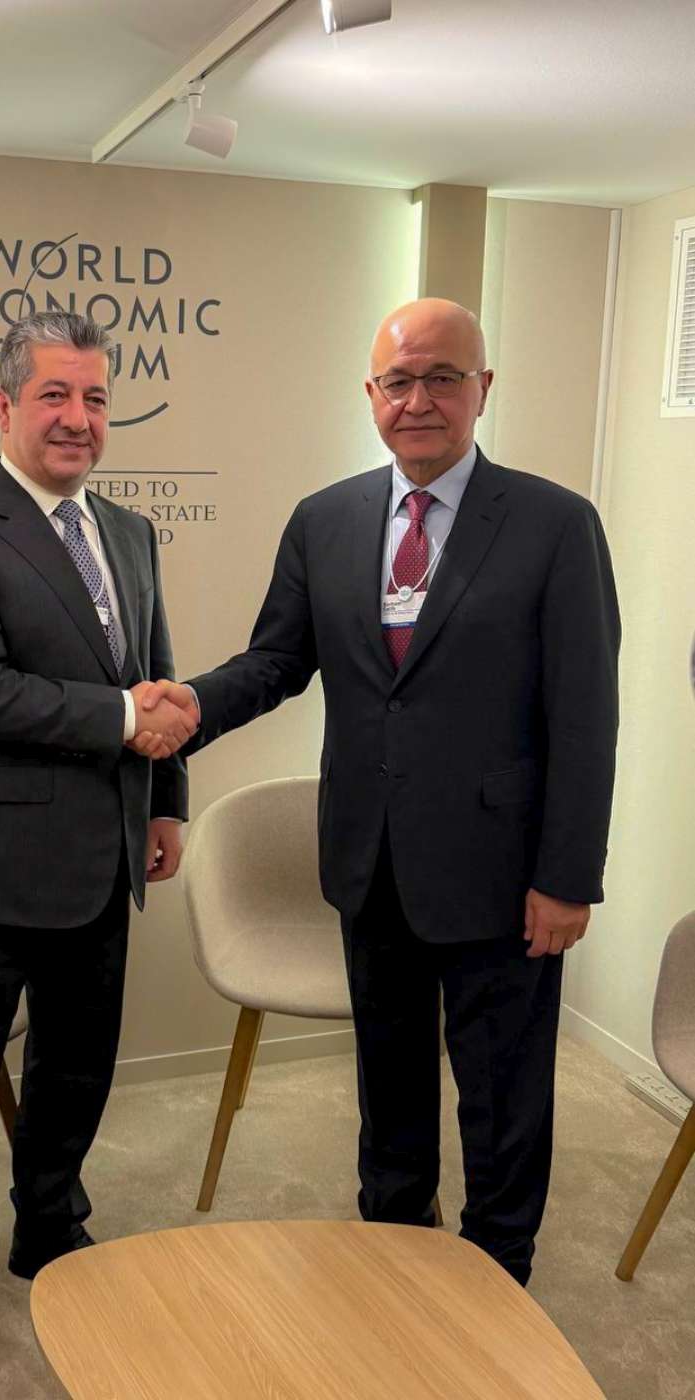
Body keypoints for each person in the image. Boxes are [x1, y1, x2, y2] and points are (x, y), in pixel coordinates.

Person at [138, 297, 620, 1287]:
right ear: (369, 395)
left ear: (483, 388)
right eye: (397, 381)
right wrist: (192, 704)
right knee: (388, 1079)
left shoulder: (554, 524)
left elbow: (585, 715)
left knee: (502, 1092)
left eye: (442, 377)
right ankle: (395, 1249)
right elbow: (277, 659)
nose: (418, 400)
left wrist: (567, 876)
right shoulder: (325, 519)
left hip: (502, 870)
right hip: (370, 860)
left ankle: (497, 1272)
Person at [0, 311, 193, 1400]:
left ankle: (48, 1225)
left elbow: (155, 674)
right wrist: (125, 719)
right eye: (54, 394)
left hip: (103, 856)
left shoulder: (131, 533)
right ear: (6, 405)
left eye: (95, 398)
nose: (77, 418)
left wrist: (166, 804)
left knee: (75, 1069)